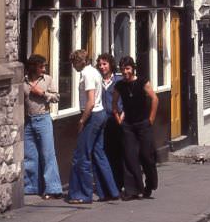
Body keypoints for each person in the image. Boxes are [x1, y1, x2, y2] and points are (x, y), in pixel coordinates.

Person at [67, 49, 120, 204]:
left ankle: (82, 194)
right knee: (98, 153)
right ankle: (110, 191)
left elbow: (90, 101)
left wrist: (82, 120)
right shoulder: (95, 72)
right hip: (101, 114)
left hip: (92, 116)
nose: (73, 66)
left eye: (73, 63)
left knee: (81, 156)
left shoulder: (86, 74)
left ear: (79, 61)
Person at [113, 56, 159, 200]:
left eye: (127, 68)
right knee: (130, 157)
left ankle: (150, 184)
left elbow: (155, 98)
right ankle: (132, 190)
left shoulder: (142, 82)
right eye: (122, 69)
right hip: (128, 126)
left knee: (146, 156)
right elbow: (114, 104)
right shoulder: (119, 86)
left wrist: (151, 118)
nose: (125, 71)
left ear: (132, 68)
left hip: (143, 124)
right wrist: (118, 119)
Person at [22, 54, 63, 200]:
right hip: (28, 120)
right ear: (34, 67)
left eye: (44, 66)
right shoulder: (24, 81)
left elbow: (57, 97)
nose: (44, 69)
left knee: (48, 154)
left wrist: (42, 93)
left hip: (43, 119)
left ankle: (53, 189)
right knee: (30, 155)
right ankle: (31, 186)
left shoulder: (48, 80)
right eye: (41, 66)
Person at [97, 52, 123, 192]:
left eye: (105, 64)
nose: (102, 67)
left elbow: (124, 100)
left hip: (116, 120)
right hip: (102, 120)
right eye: (100, 64)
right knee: (104, 152)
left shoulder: (118, 80)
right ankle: (107, 184)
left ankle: (119, 183)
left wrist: (122, 114)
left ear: (111, 65)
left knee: (117, 152)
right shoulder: (97, 81)